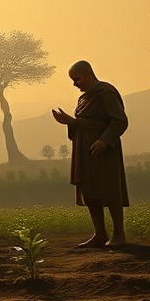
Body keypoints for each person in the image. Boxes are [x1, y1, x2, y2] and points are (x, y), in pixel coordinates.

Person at [52, 60, 128, 247]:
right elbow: (82, 123)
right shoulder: (83, 99)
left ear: (87, 74)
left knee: (109, 190)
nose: (75, 84)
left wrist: (104, 140)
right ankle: (100, 234)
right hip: (83, 151)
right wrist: (69, 122)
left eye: (77, 79)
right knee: (89, 191)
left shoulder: (106, 93)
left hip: (103, 151)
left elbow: (119, 121)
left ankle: (119, 234)